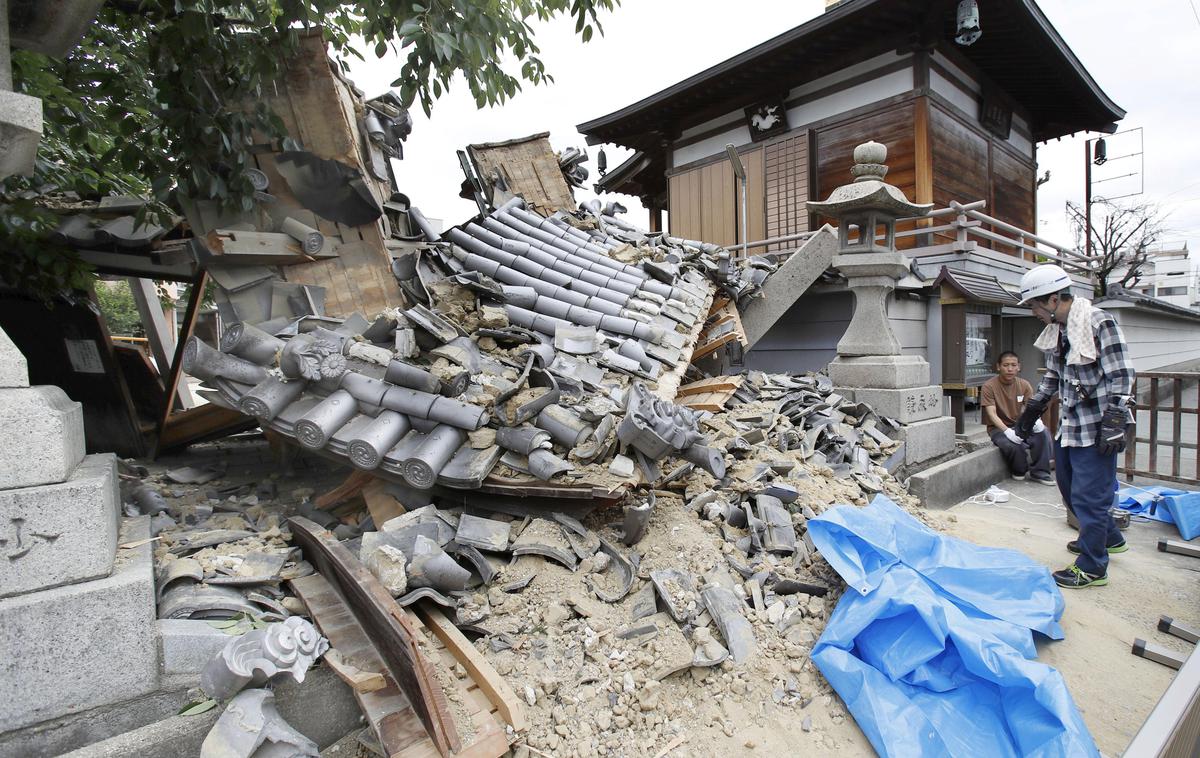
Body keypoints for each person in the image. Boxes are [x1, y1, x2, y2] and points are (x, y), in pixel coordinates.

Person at [1012, 264, 1134, 589]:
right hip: (1071, 425)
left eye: (1035, 306)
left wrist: (1116, 418)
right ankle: (1108, 537)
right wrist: (1032, 410)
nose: (1034, 313)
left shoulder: (1098, 322)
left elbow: (1121, 373)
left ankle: (1093, 567)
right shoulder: (1060, 331)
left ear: (1053, 300)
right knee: (1067, 485)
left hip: (1099, 427)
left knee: (1090, 497)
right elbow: (1053, 376)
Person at [980, 351, 1055, 485]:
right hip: (998, 429)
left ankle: (1040, 472)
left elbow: (1030, 409)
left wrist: (1036, 421)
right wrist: (1007, 431)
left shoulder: (1024, 385)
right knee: (1014, 445)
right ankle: (1020, 470)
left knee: (1043, 434)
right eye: (1006, 365)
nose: (1010, 369)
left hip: (1020, 425)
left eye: (1013, 365)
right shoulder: (989, 386)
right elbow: (991, 414)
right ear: (998, 367)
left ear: (1019, 367)